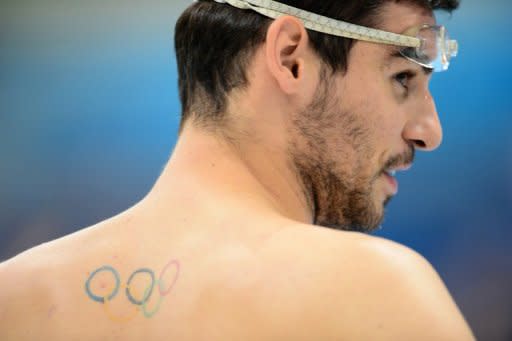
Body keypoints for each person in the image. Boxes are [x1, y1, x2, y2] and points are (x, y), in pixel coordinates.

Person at [0, 0, 475, 339]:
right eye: (403, 78)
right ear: (290, 58)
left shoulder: (15, 297)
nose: (429, 131)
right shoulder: (378, 292)